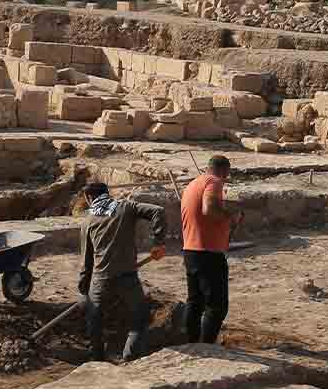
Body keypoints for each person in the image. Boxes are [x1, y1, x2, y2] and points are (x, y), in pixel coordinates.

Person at [77, 182, 166, 362]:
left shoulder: (88, 221)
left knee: (94, 320)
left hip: (101, 279)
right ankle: (130, 357)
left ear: (89, 198)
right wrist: (158, 242)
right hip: (127, 276)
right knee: (140, 317)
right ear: (107, 194)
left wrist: (83, 289)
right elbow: (158, 211)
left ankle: (97, 359)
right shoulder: (126, 206)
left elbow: (86, 261)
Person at [180, 155, 238, 344]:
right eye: (227, 174)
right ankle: (206, 346)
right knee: (217, 306)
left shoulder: (193, 184)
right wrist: (231, 216)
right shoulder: (214, 182)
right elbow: (209, 208)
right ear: (224, 170)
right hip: (208, 252)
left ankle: (192, 344)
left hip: (191, 250)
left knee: (195, 302)